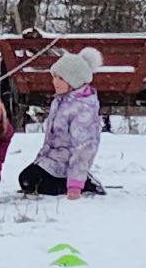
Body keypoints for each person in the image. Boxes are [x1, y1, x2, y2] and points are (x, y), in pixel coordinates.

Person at [18, 47, 107, 199]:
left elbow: (83, 148)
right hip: (53, 160)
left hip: (68, 162)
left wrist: (75, 185)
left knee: (33, 181)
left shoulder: (83, 109)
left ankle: (83, 182)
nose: (55, 82)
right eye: (54, 77)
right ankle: (64, 179)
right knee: (27, 179)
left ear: (74, 81)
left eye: (61, 78)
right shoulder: (60, 101)